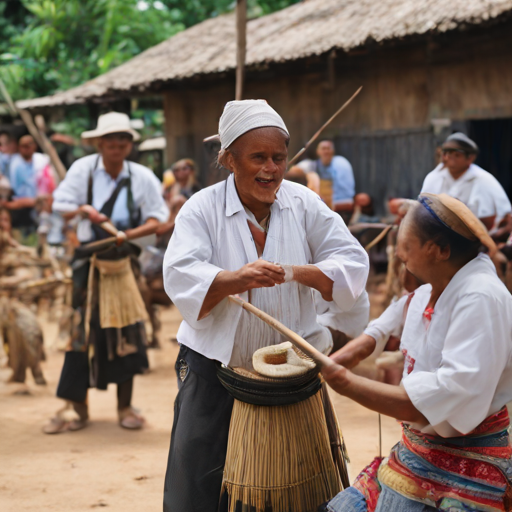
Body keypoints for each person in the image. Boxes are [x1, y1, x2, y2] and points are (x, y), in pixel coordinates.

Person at [162, 99, 370, 512]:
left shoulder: (304, 203)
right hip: (214, 373)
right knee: (200, 490)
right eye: (258, 157)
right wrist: (237, 278)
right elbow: (182, 274)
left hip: (290, 378)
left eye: (278, 157)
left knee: (296, 491)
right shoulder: (201, 209)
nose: (270, 169)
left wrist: (298, 272)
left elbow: (351, 263)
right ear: (228, 159)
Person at [321, 193, 512, 512]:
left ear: (439, 250)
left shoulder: (482, 299)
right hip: (417, 450)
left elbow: (447, 394)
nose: (400, 255)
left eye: (406, 246)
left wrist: (349, 385)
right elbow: (381, 328)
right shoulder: (429, 290)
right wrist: (347, 355)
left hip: (466, 461)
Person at [43, 112, 169, 434]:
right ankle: (78, 409)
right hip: (88, 264)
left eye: (123, 140)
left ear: (129, 145)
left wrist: (128, 235)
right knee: (80, 333)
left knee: (126, 330)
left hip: (124, 262)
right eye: (110, 140)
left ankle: (125, 407)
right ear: (99, 143)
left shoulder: (141, 176)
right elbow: (60, 204)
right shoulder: (82, 171)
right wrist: (83, 210)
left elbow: (158, 220)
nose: (116, 145)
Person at [421, 132, 511, 230]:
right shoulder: (434, 177)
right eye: (446, 154)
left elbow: (491, 220)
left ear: (470, 158)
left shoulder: (484, 180)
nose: (449, 159)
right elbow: (423, 209)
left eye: (456, 155)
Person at [4, 135, 55, 237]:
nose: (27, 148)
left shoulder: (42, 160)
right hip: (19, 202)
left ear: (34, 146)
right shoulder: (12, 163)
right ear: (19, 147)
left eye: (29, 145)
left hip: (41, 202)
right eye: (24, 146)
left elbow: (50, 183)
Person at [314, 140, 355, 218]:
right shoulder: (315, 165)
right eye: (323, 148)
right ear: (318, 151)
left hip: (340, 203)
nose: (326, 151)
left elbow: (345, 193)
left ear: (333, 151)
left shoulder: (340, 163)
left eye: (328, 148)